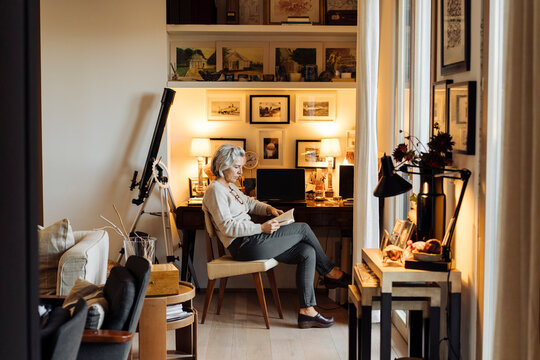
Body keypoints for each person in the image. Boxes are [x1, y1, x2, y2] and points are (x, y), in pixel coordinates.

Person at [202, 144, 350, 329]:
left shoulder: (229, 187)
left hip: (252, 242)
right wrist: (261, 228)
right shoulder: (215, 191)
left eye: (241, 167)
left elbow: (250, 203)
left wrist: (269, 209)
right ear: (223, 165)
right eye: (237, 167)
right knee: (303, 228)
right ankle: (330, 272)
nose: (241, 171)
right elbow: (227, 227)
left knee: (307, 251)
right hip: (244, 246)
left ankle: (307, 312)